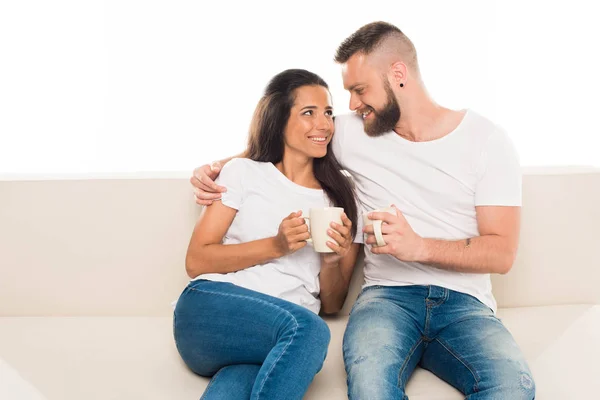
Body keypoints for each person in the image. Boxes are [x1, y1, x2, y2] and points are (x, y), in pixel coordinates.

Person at [191, 22, 536, 400]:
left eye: (359, 90)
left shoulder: (487, 141)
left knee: (512, 389)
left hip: (466, 304)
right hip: (386, 298)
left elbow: (502, 253)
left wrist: (419, 246)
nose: (352, 105)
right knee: (371, 388)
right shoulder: (355, 131)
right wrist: (216, 167)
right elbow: (285, 139)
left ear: (398, 75)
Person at [174, 69, 362, 400]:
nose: (324, 125)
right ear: (279, 118)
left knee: (233, 389)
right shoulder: (242, 172)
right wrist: (276, 246)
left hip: (270, 338)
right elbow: (196, 260)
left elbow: (331, 303)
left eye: (329, 113)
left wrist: (332, 261)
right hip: (212, 309)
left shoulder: (341, 196)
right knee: (309, 331)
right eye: (309, 113)